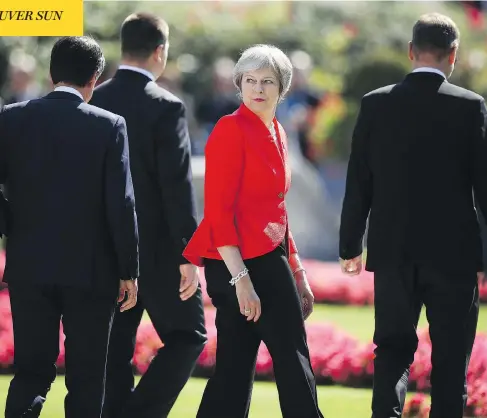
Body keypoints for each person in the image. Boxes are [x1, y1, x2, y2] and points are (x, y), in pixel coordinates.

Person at [339, 13, 485, 418]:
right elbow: (484, 188)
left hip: (392, 251)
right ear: (453, 55)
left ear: (410, 51)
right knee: (452, 360)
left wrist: (350, 244)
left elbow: (359, 181)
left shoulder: (375, 103)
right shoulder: (470, 107)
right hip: (454, 256)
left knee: (392, 352)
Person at [1, 36, 139, 418]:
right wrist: (129, 270)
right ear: (95, 78)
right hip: (92, 270)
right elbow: (122, 203)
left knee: (29, 373)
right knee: (87, 376)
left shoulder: (10, 118)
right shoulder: (110, 125)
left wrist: (10, 225)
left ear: (50, 73)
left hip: (29, 264)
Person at [183, 44, 324, 418]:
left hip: (266, 255)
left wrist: (297, 269)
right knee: (292, 353)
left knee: (233, 365)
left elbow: (277, 209)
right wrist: (242, 279)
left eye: (267, 82)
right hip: (237, 261)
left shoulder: (278, 130)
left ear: (283, 89)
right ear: (239, 84)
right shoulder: (230, 129)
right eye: (249, 80)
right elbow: (217, 211)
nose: (257, 89)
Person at [89, 13, 206, 418]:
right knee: (189, 335)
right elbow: (176, 187)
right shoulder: (166, 106)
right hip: (156, 252)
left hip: (103, 248)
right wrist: (189, 253)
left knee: (115, 349)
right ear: (160, 51)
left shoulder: (94, 99)